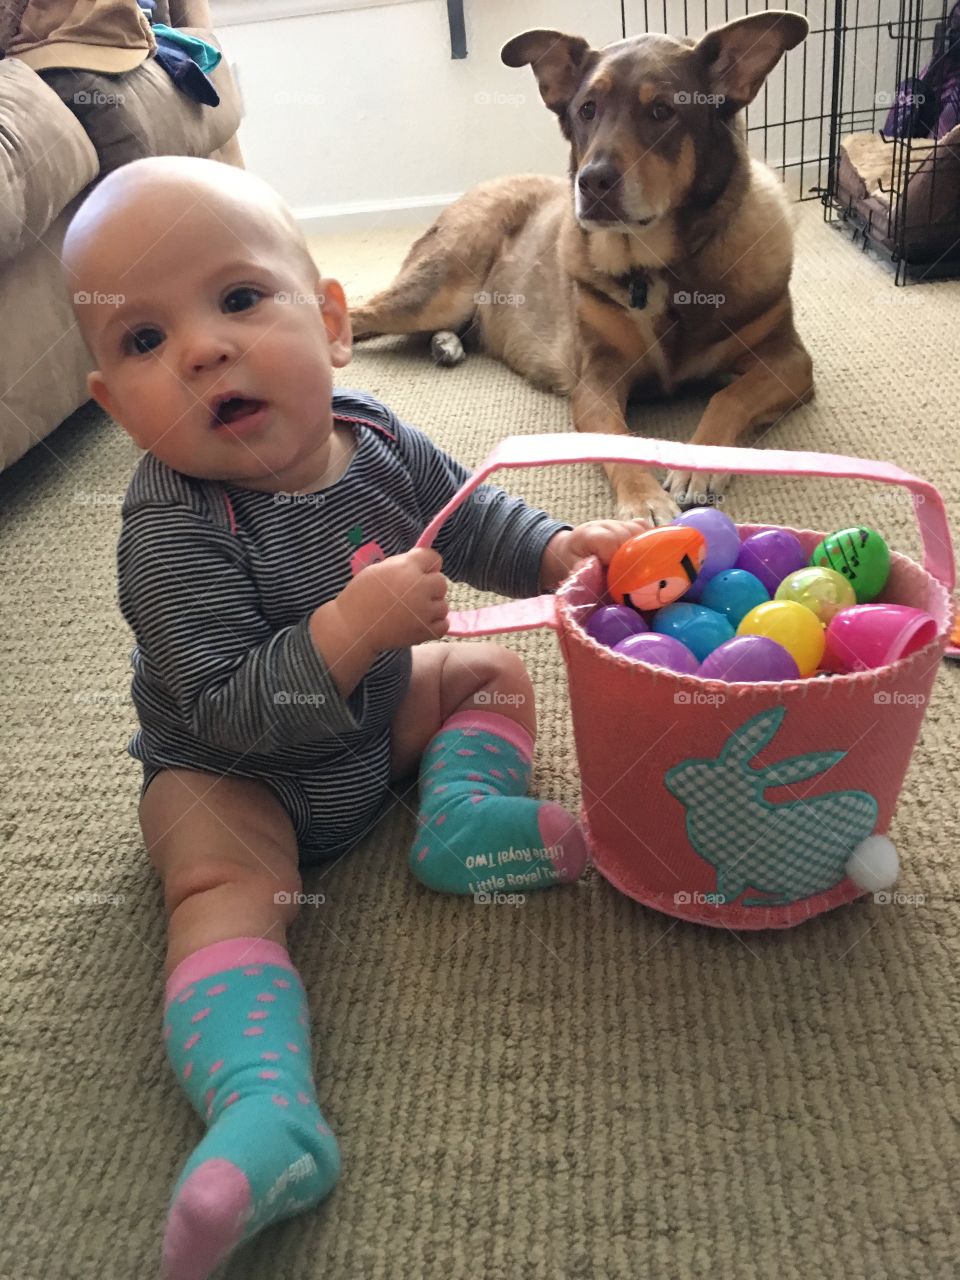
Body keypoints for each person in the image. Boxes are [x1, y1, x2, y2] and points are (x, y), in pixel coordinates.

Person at [63, 156, 649, 1280]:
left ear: (333, 324)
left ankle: (458, 818)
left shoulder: (375, 435)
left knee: (488, 670)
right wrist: (347, 632)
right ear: (116, 406)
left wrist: (555, 549)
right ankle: (264, 1108)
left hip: (374, 725)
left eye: (240, 298)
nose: (201, 349)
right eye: (143, 340)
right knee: (212, 878)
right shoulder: (170, 529)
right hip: (239, 783)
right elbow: (224, 707)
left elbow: (468, 521)